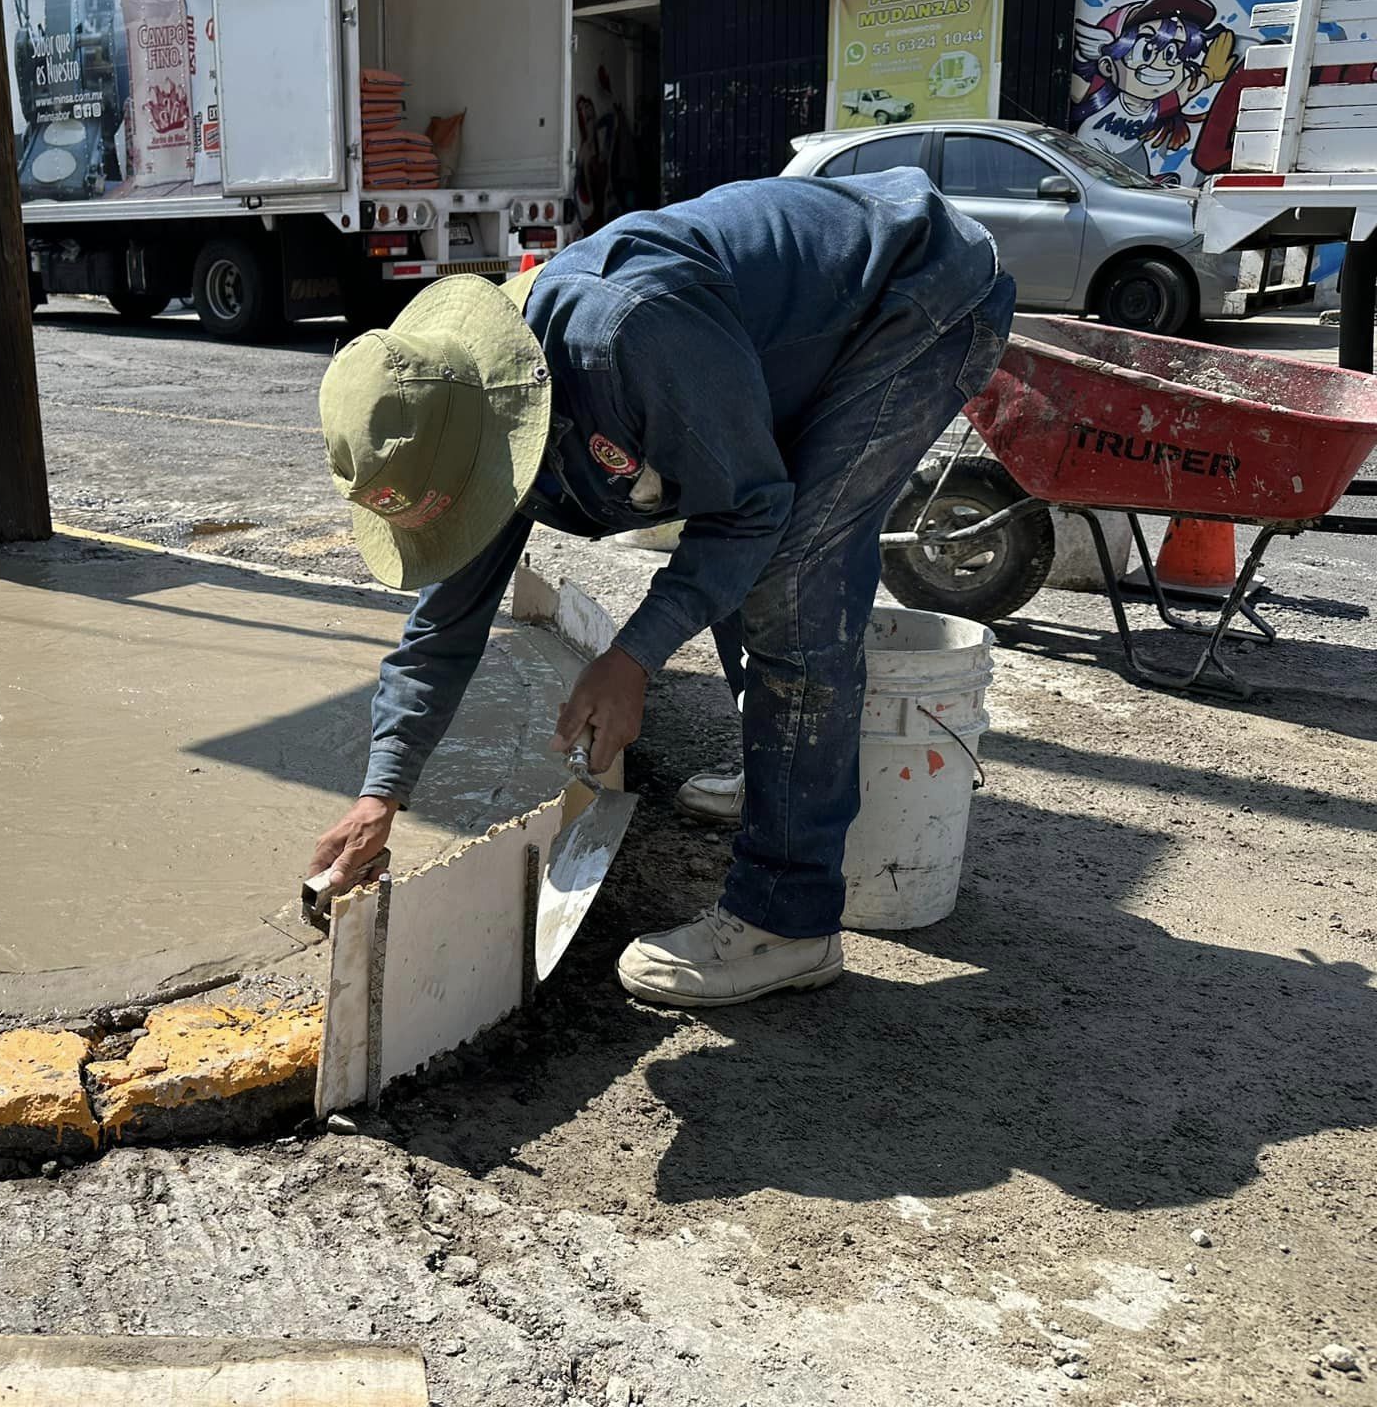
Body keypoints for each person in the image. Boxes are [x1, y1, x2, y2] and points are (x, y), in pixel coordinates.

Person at [305, 167, 1012, 1008]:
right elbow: (444, 624)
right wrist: (382, 794)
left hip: (914, 296)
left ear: (499, 439)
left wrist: (633, 657)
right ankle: (779, 772)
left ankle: (787, 921)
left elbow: (749, 513)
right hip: (782, 331)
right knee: (732, 519)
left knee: (790, 576)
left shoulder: (628, 336)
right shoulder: (470, 420)